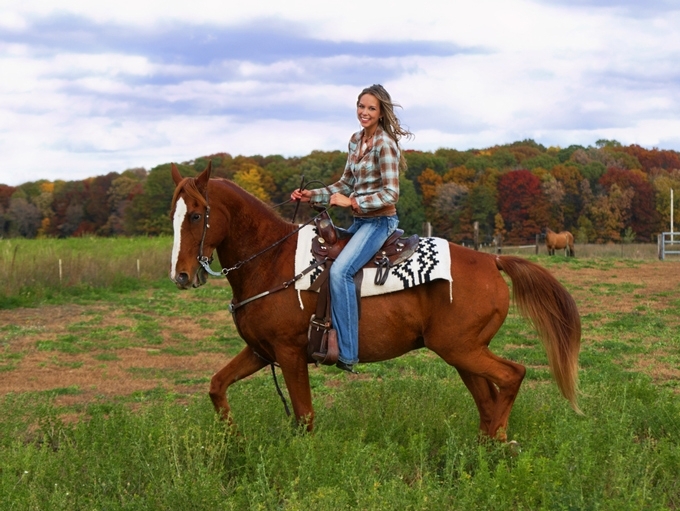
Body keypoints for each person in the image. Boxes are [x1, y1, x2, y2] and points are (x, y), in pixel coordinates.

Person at [291, 84, 413, 373]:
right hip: (360, 222)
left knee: (341, 271)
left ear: (381, 113)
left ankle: (347, 352)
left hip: (380, 222)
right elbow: (344, 184)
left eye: (371, 108)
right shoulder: (355, 140)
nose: (364, 112)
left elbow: (391, 194)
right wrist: (313, 195)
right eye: (361, 106)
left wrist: (354, 202)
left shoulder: (385, 144)